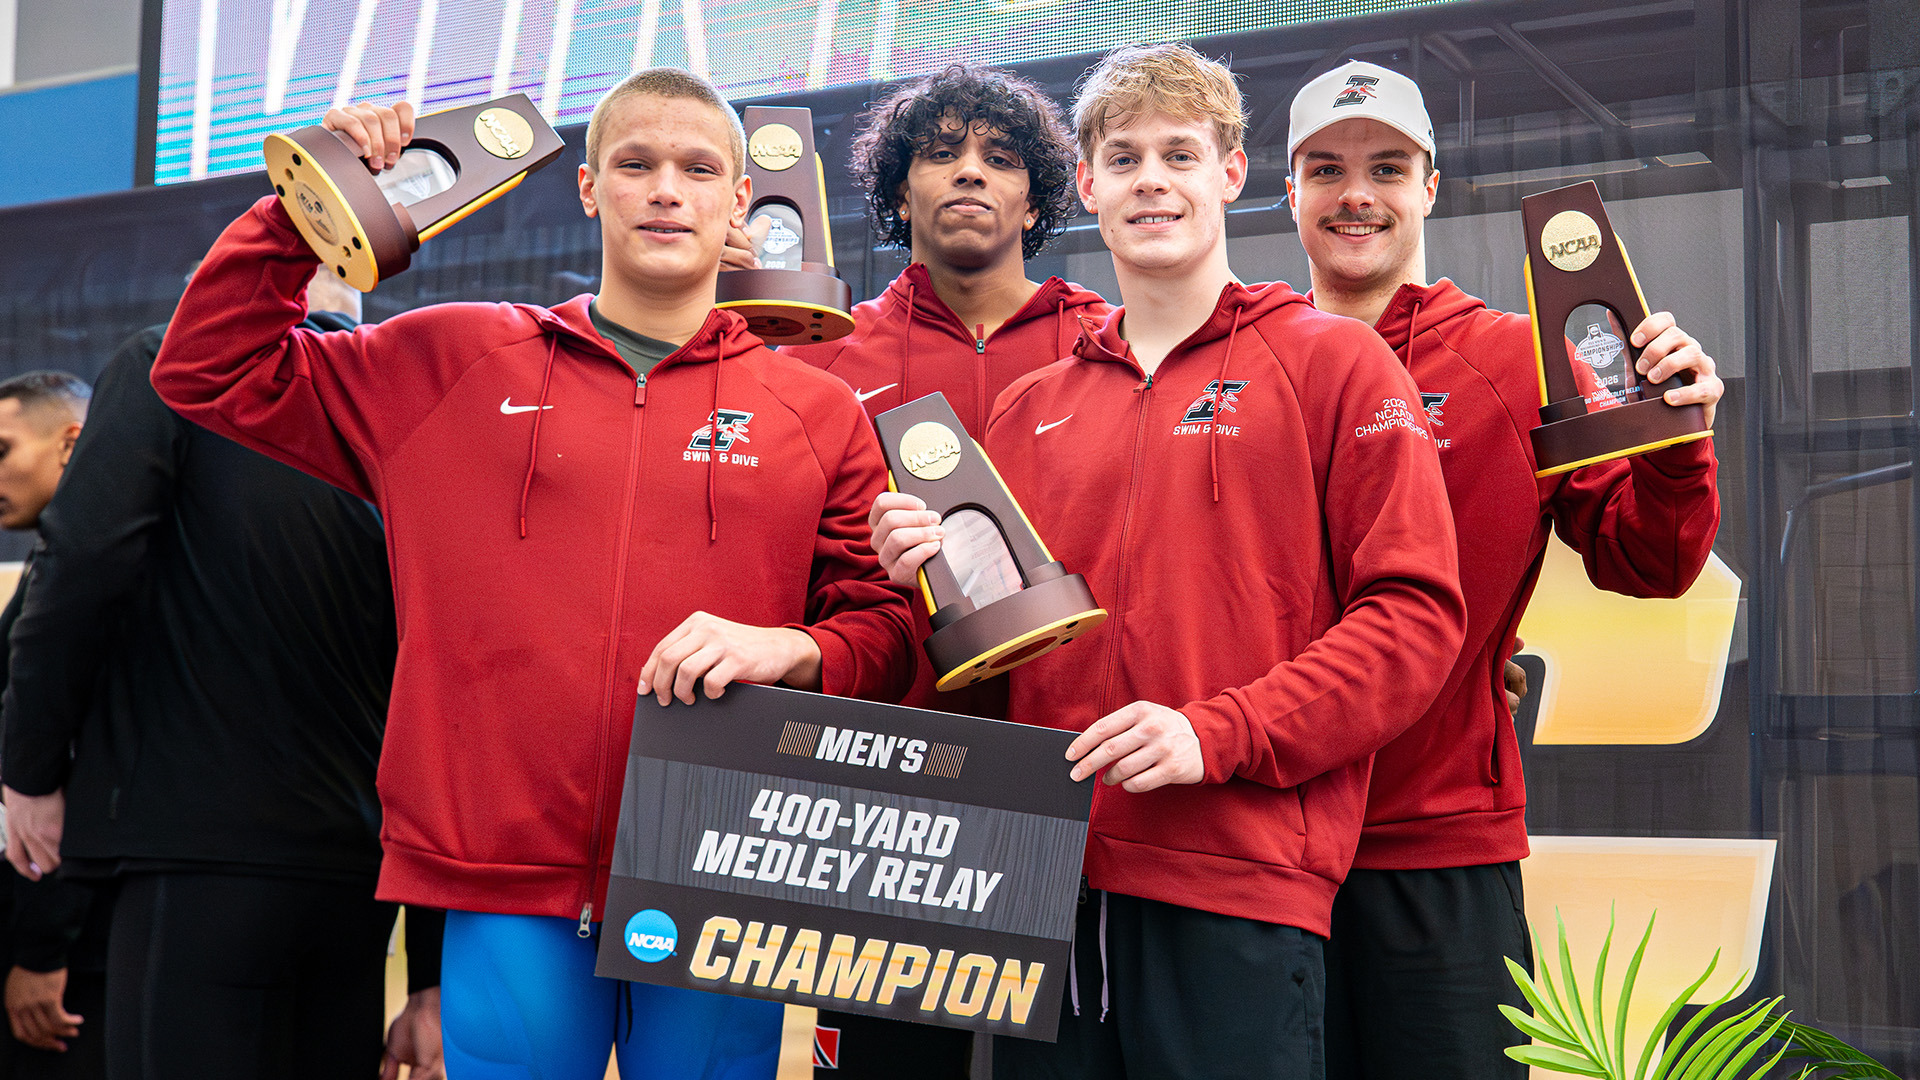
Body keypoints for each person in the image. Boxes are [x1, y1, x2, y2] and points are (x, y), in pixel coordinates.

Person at [147, 67, 913, 1080]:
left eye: (697, 168)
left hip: (717, 865)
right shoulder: (451, 360)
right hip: (503, 869)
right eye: (635, 165)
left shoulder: (816, 413)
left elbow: (886, 629)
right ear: (590, 188)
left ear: (740, 202)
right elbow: (207, 369)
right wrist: (313, 206)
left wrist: (794, 647)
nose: (665, 190)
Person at [872, 43, 1467, 1078]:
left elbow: (1413, 620)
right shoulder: (1028, 411)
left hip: (1237, 885)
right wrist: (926, 588)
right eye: (1126, 156)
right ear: (1089, 185)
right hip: (1042, 894)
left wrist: (1219, 733)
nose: (1153, 179)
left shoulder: (1333, 362)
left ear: (1230, 177)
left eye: (1181, 155)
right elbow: (989, 677)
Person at [1281, 60, 1723, 1080]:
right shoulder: (1246, 361)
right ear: (1287, 188)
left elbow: (1646, 560)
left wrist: (1677, 442)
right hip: (1260, 849)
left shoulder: (1514, 356)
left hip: (1437, 852)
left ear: (1430, 186)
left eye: (1387, 168)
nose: (1357, 194)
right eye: (1327, 168)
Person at [0, 279, 446, 1080]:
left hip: (194, 851)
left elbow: (84, 563)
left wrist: (27, 772)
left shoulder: (170, 359)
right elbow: (443, 677)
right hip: (357, 871)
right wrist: (432, 971)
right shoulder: (395, 401)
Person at [765, 61, 1105, 1080]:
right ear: (896, 189)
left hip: (1076, 790)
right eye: (940, 152)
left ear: (1040, 195)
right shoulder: (820, 361)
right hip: (884, 801)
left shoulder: (1109, 344)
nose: (970, 174)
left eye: (1000, 158)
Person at [0, 371, 103, 1079]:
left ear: (71, 444)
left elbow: (78, 762)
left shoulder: (90, 577)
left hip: (70, 944)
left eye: (2, 449)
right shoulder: (49, 566)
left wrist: (43, 949)